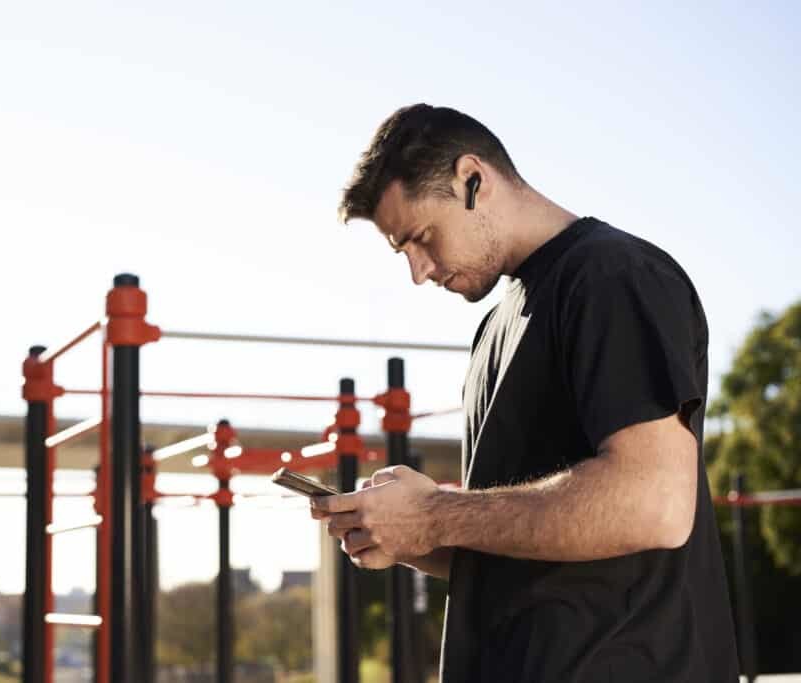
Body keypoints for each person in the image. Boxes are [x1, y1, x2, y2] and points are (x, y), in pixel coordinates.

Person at [311, 104, 738, 682]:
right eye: (403, 252)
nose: (418, 271)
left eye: (422, 238)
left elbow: (653, 503)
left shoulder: (613, 276)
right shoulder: (494, 329)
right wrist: (405, 533)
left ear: (472, 180)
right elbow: (518, 542)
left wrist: (435, 513)